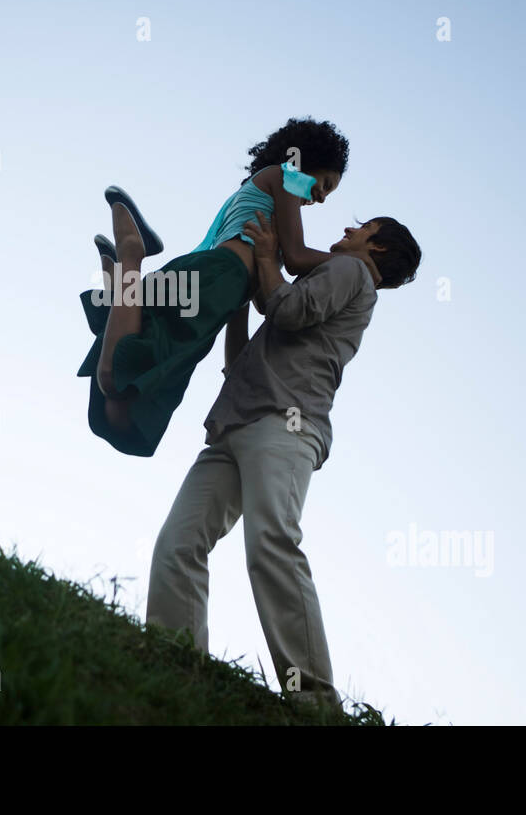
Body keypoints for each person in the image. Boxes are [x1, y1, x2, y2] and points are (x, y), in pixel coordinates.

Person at [145, 209, 421, 713]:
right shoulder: (337, 277)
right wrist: (237, 306)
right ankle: (173, 660)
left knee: (271, 541)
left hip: (284, 424)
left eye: (362, 228)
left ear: (377, 248)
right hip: (238, 424)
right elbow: (241, 359)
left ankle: (315, 702)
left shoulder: (353, 272)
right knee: (180, 541)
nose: (346, 230)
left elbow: (288, 309)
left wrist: (269, 256)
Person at [76, 117, 377, 457]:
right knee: (119, 380)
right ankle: (130, 253)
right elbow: (295, 257)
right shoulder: (286, 177)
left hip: (213, 281)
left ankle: (120, 279)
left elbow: (262, 300)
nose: (322, 197)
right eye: (325, 183)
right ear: (309, 161)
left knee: (122, 418)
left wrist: (238, 353)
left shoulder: (261, 194)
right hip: (219, 277)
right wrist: (360, 266)